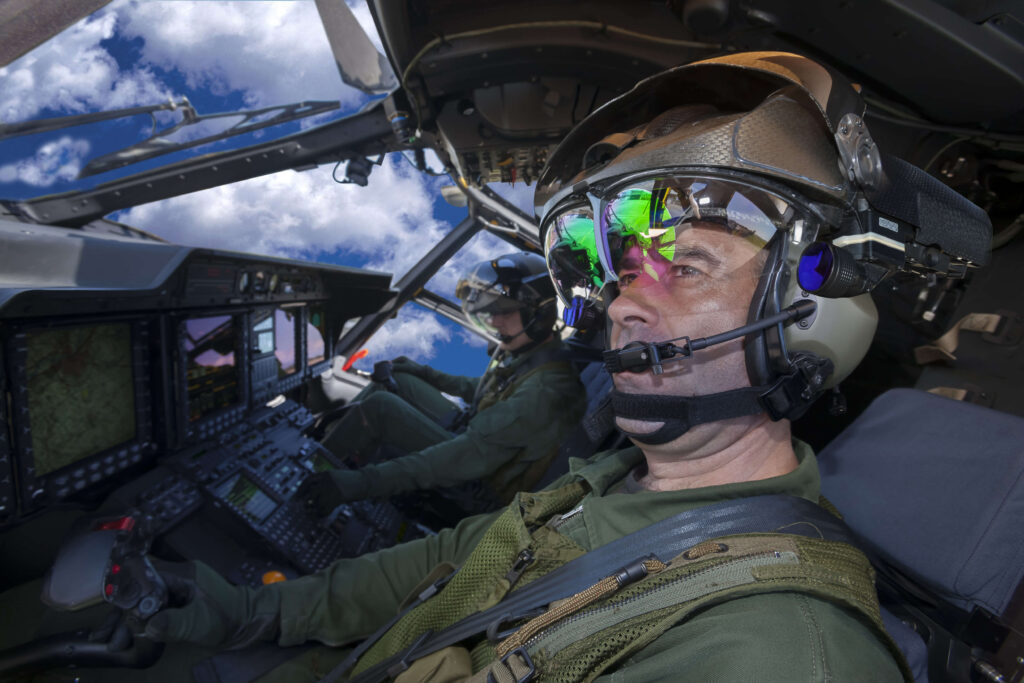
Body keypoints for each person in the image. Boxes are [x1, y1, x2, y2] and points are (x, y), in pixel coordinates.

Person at [137, 51, 992, 681]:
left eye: (685, 264)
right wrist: (243, 609)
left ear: (818, 307)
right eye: (617, 275)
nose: (622, 305)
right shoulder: (603, 485)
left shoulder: (778, 650)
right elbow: (437, 565)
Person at [304, 251, 586, 519]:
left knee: (381, 406)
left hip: (480, 485)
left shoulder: (544, 392)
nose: (494, 321)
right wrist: (423, 371)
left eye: (505, 312)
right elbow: (482, 388)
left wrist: (356, 484)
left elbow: (460, 458)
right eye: (492, 312)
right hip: (480, 437)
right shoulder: (536, 357)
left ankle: (304, 476)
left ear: (540, 316)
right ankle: (326, 451)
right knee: (401, 379)